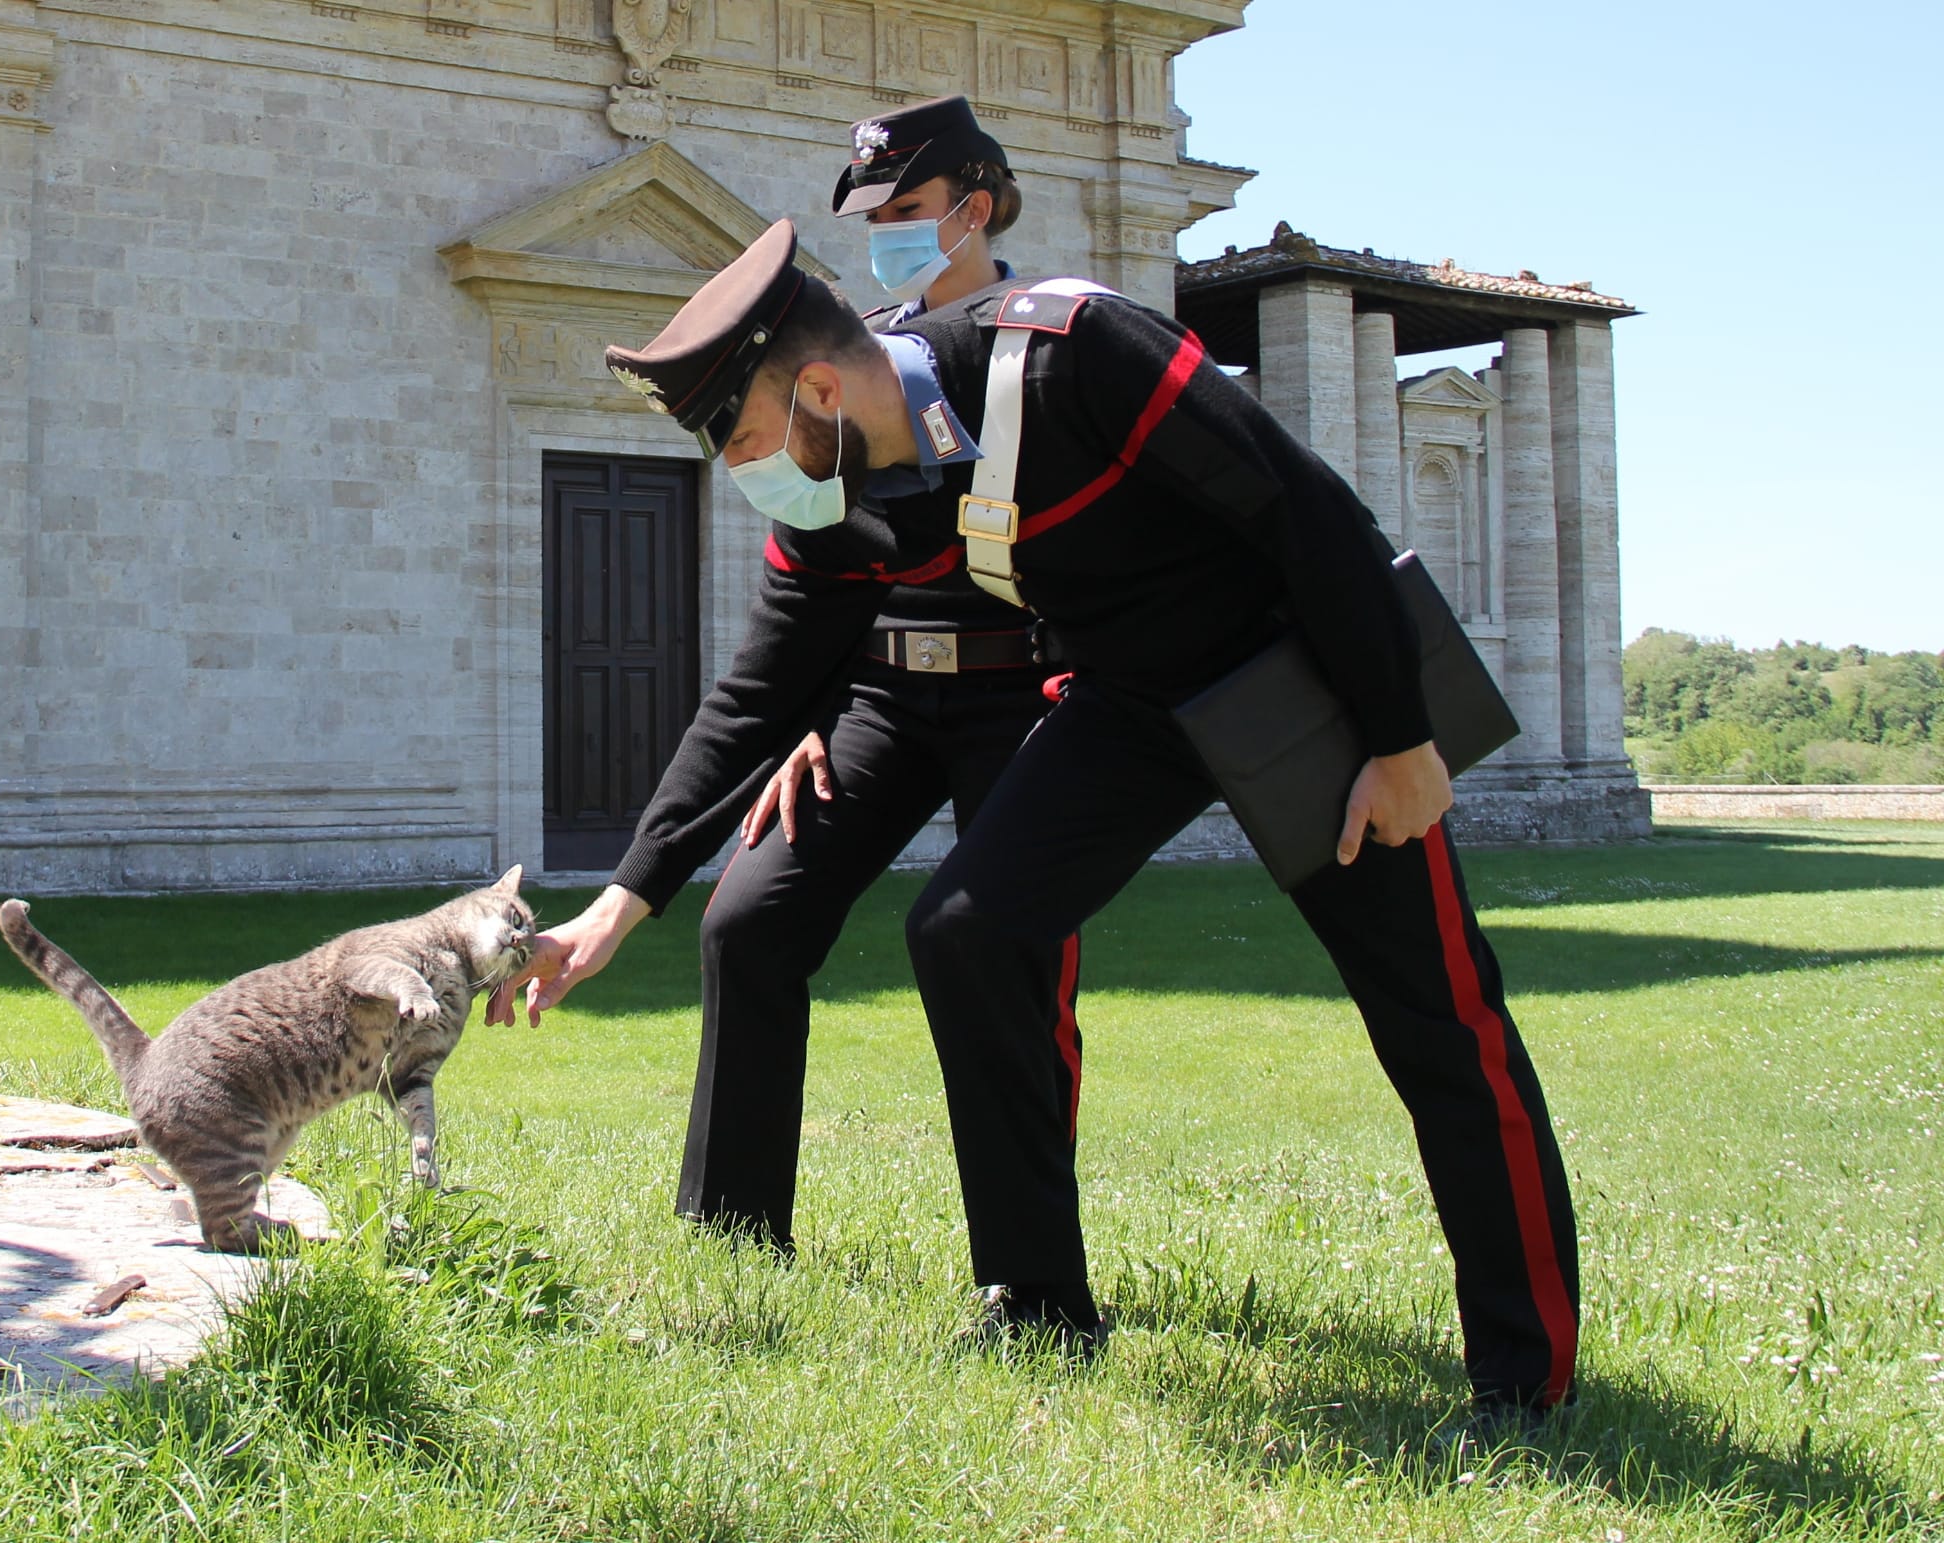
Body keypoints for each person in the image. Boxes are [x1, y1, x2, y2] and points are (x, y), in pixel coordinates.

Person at [506, 217, 1579, 1418]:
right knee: (966, 929)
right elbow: (758, 689)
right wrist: (618, 903)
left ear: (817, 385)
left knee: (1431, 1011)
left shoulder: (1075, 349)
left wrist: (1398, 741)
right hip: (1128, 706)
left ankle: (1524, 1373)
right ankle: (1038, 1308)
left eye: (750, 441)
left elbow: (1308, 513)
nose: (755, 475)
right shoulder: (845, 499)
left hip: (1299, 678)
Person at [676, 97, 1086, 1261]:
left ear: (974, 207)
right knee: (748, 920)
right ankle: (731, 1236)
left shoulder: (1043, 345)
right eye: (871, 216)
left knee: (1003, 958)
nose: (886, 236)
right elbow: (822, 562)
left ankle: (1029, 1267)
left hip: (1022, 693)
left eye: (907, 211)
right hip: (880, 697)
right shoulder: (847, 351)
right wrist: (805, 718)